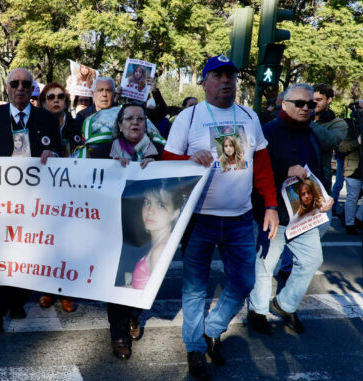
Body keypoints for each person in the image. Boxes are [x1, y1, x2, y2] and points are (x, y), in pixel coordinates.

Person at [162, 55, 278, 380]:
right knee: (195, 288)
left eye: (231, 75)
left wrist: (270, 204)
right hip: (199, 220)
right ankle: (195, 349)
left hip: (241, 219)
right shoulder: (189, 117)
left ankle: (212, 329)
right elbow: (167, 163)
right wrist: (187, 158)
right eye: (218, 75)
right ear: (204, 82)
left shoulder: (249, 116)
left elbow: (264, 166)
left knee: (244, 281)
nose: (226, 81)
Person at [0, 67, 62, 334]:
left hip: (34, 202)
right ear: (7, 88)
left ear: (33, 89)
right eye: (15, 83)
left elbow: (57, 150)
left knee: (26, 253)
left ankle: (18, 300)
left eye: (25, 84)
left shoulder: (47, 118)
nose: (20, 88)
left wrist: (53, 153)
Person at [247, 83, 331, 337]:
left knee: (312, 260)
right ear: (284, 104)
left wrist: (324, 197)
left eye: (311, 104)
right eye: (300, 104)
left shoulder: (312, 134)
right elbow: (252, 172)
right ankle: (258, 312)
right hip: (270, 213)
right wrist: (285, 172)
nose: (307, 108)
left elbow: (317, 170)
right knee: (265, 267)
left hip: (304, 215)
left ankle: (284, 305)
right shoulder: (266, 132)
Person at [88, 103, 161, 359]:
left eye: (140, 118)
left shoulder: (159, 154)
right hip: (112, 228)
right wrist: (110, 169)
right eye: (129, 118)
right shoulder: (100, 153)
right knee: (118, 278)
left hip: (146, 229)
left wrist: (158, 169)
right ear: (119, 125)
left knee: (141, 275)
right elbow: (84, 184)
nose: (135, 122)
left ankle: (134, 315)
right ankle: (118, 334)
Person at [39, 82, 84, 157]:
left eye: (61, 96)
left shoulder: (78, 126)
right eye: (51, 97)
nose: (56, 100)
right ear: (43, 103)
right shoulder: (37, 126)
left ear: (66, 103)